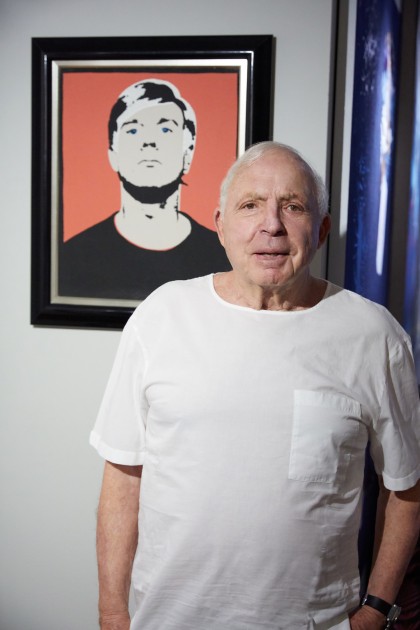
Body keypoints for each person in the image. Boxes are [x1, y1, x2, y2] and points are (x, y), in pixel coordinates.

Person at [90, 141, 420, 630]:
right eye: (251, 206)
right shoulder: (161, 316)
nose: (272, 225)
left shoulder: (373, 335)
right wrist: (113, 611)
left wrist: (376, 610)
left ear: (322, 230)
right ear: (220, 224)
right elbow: (122, 476)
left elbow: (406, 488)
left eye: (293, 206)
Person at [59, 78, 230, 301]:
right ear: (113, 153)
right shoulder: (74, 256)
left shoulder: (222, 258)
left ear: (187, 154)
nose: (149, 141)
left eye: (166, 129)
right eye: (132, 131)